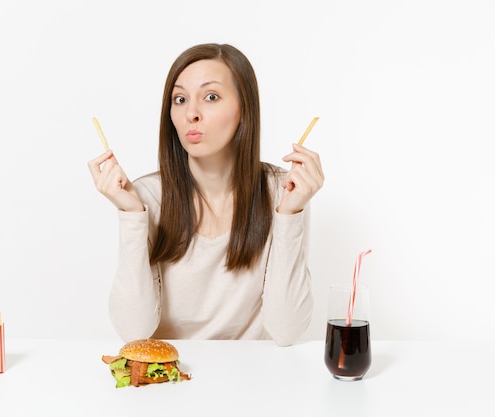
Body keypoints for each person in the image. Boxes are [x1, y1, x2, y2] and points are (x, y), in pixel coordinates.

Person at [88, 43, 324, 346]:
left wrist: (289, 214)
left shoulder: (283, 191)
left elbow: (287, 331)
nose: (191, 114)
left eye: (211, 97)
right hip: (172, 382)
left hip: (255, 381)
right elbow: (135, 333)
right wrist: (132, 216)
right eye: (180, 99)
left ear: (244, 109)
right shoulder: (146, 196)